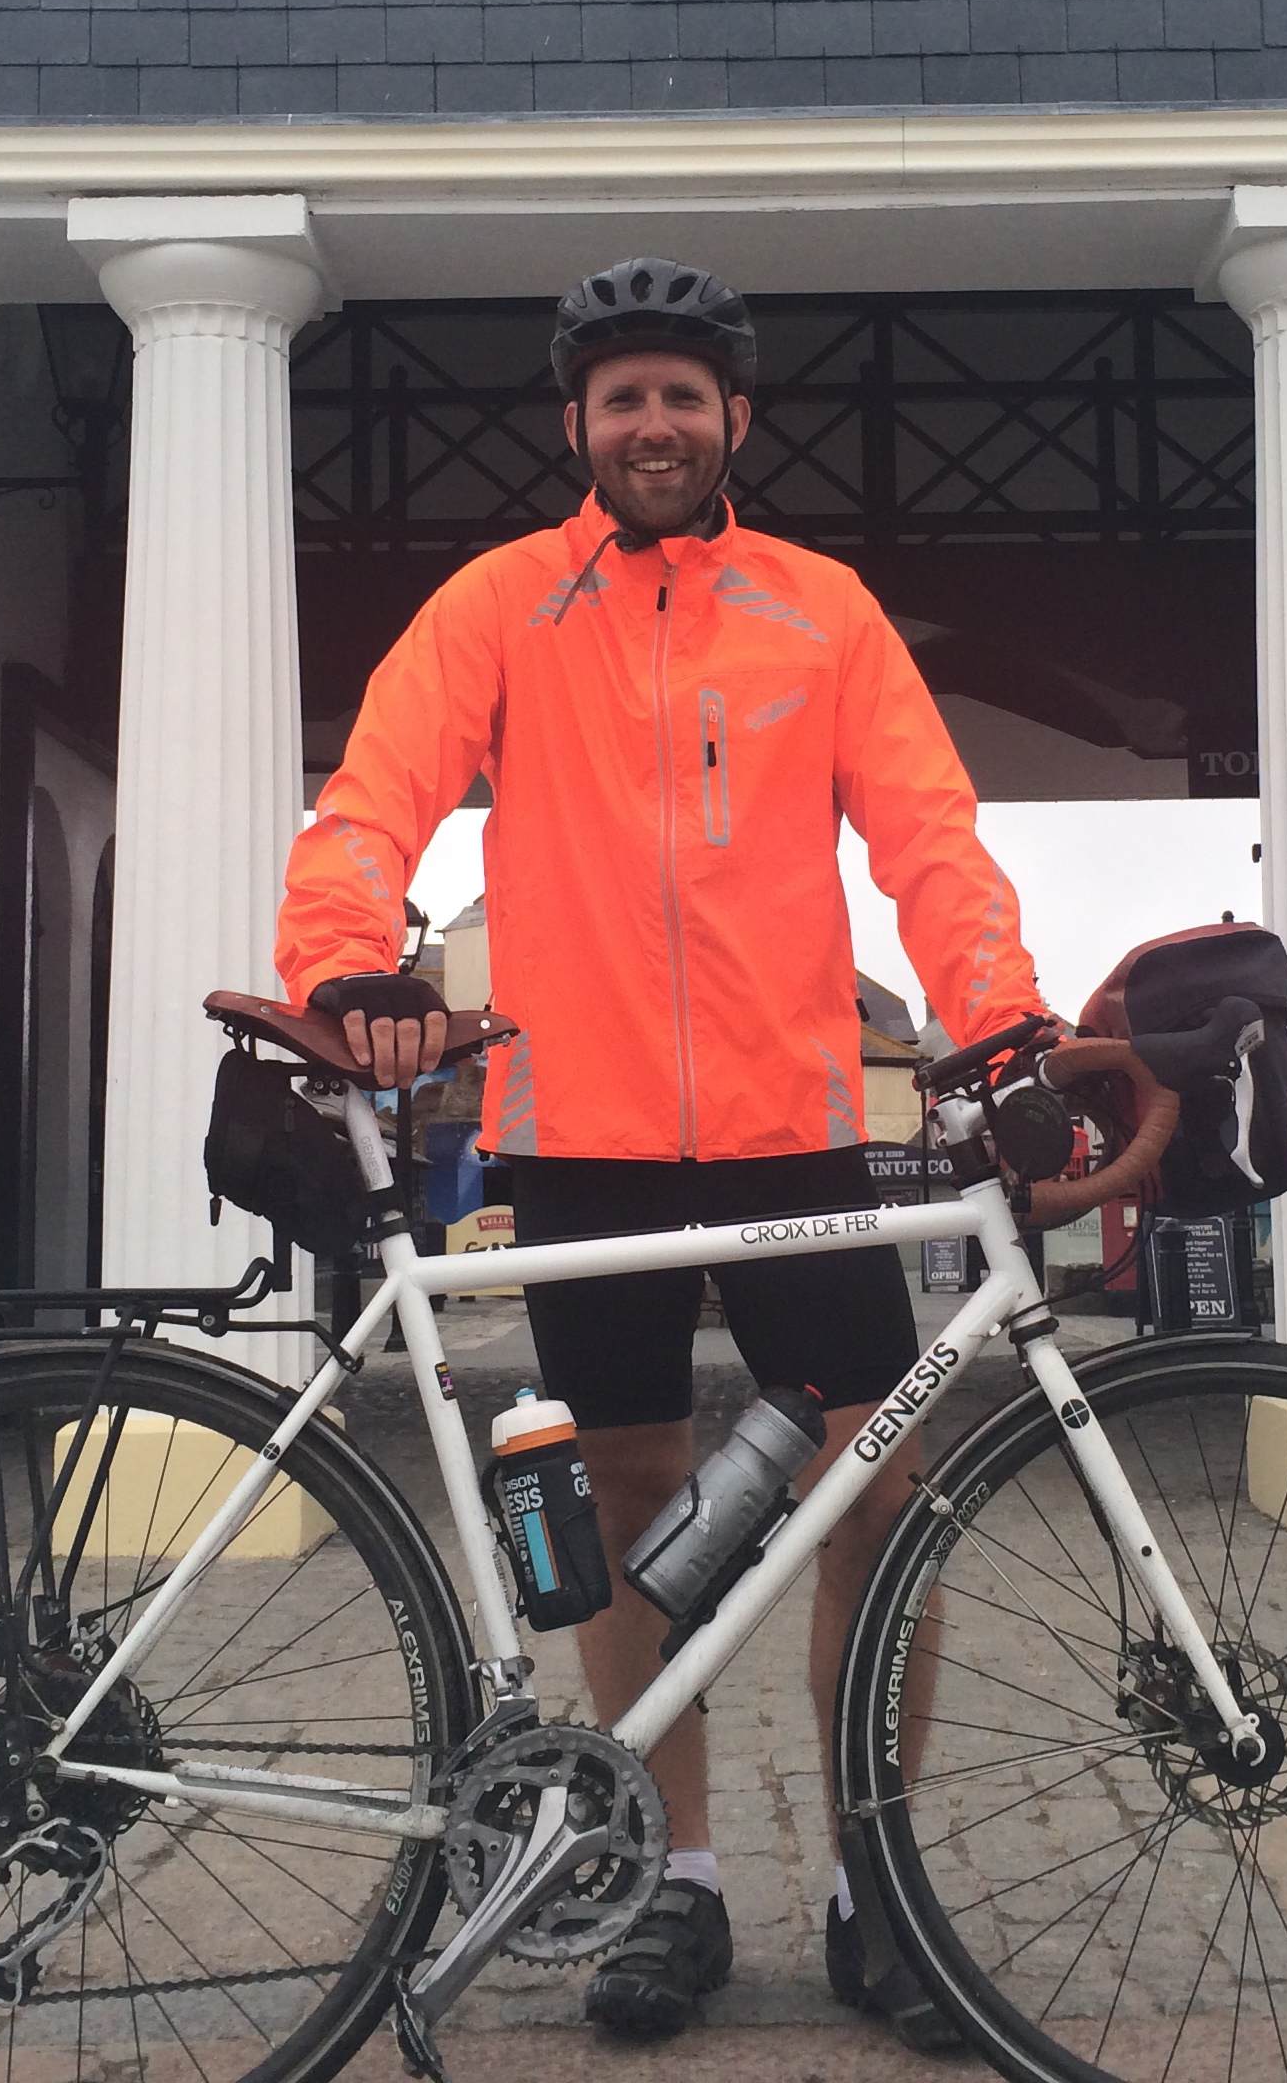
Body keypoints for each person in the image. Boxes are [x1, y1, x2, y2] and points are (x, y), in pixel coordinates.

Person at [274, 257, 1050, 2050]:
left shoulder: (818, 610)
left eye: (680, 396)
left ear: (733, 421)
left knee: (874, 1498)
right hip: (585, 1136)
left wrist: (1000, 1017)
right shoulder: (499, 605)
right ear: (577, 423)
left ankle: (874, 1885)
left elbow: (931, 838)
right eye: (620, 396)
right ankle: (667, 1877)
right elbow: (371, 797)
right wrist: (346, 958)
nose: (651, 423)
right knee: (627, 1503)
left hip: (793, 1130)